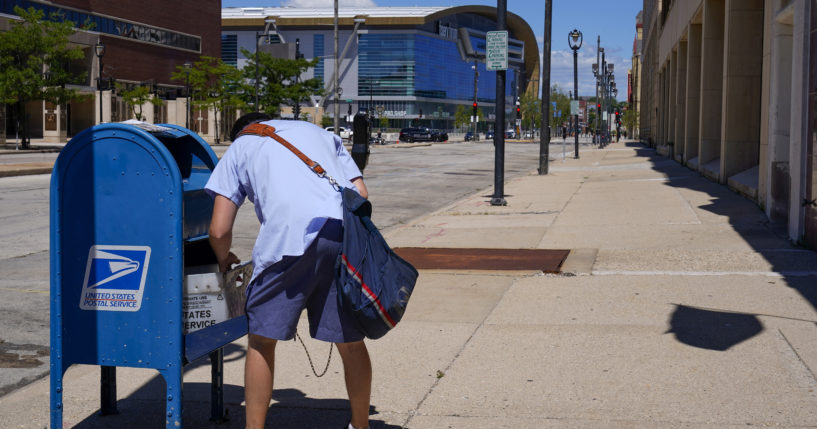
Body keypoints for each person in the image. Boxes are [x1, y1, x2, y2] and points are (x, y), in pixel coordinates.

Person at [205, 113, 372, 429]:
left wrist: (223, 258)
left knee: (262, 340)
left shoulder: (242, 145)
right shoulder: (319, 133)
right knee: (350, 341)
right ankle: (360, 425)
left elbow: (218, 229)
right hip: (340, 235)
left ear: (240, 132)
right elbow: (360, 193)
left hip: (288, 240)